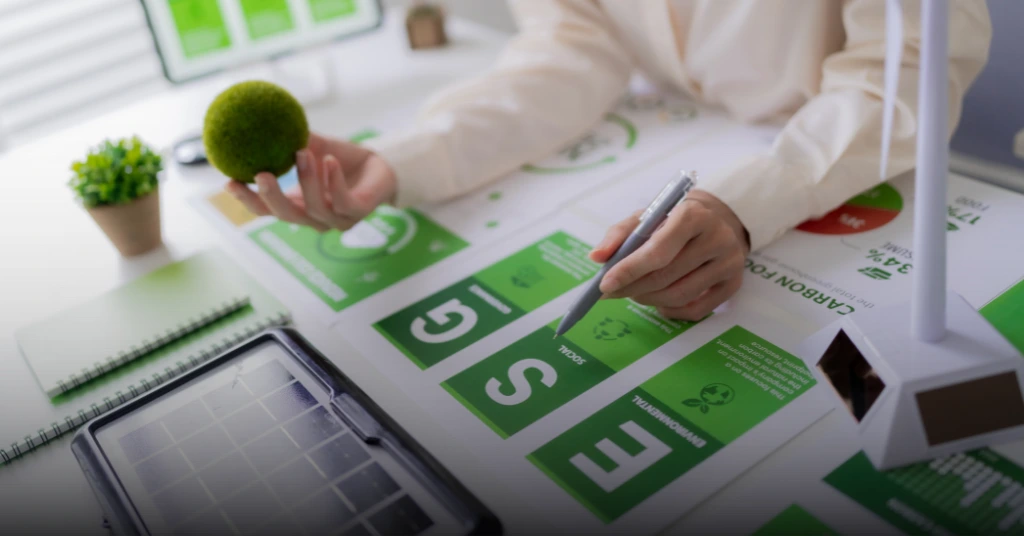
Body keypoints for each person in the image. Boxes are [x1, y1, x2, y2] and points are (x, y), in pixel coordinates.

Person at [227, 0, 991, 321]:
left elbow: (902, 76)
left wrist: (746, 201)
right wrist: (403, 162)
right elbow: (573, 46)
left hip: (855, 179)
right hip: (681, 146)